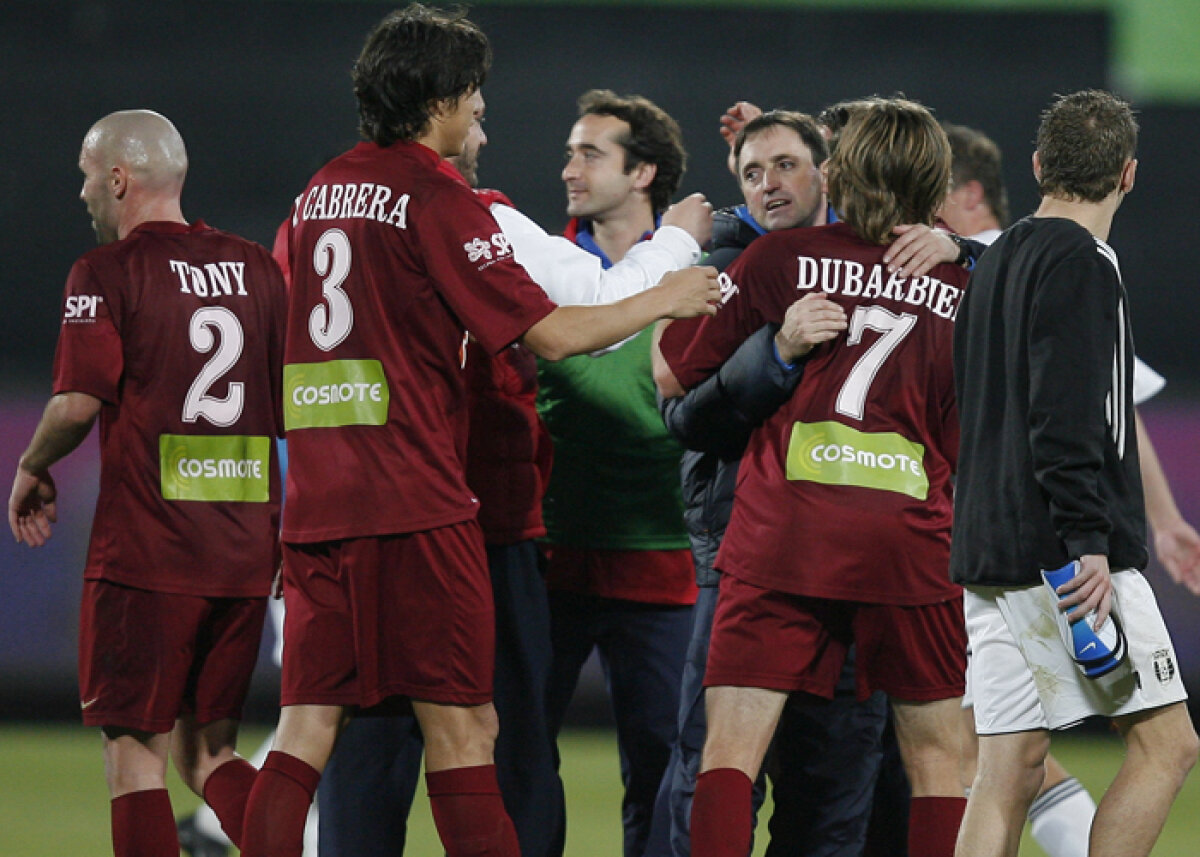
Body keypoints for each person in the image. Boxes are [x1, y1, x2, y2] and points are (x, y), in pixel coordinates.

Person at [238, 7, 719, 857]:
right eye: (475, 101)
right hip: (418, 507)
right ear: (442, 99)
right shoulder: (438, 198)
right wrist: (666, 292)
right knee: (470, 732)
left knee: (306, 733)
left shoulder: (313, 199)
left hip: (317, 513)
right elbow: (555, 333)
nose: (480, 120)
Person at [657, 97, 972, 857]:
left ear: (836, 174)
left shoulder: (780, 260)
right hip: (909, 544)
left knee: (730, 752)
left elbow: (674, 368)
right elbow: (965, 440)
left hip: (784, 533)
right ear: (936, 184)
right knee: (941, 761)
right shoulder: (966, 291)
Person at [8, 109, 286, 857]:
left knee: (135, 761)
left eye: (86, 176)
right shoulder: (258, 269)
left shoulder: (106, 272)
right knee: (210, 756)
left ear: (119, 178)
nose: (82, 193)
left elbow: (76, 404)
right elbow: (289, 406)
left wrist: (32, 465)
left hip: (149, 557)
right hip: (242, 556)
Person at [940, 118, 1200, 857]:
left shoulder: (995, 259)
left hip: (987, 548)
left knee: (1005, 771)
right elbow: (1067, 413)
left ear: (1037, 164)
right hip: (1065, 554)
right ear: (1128, 174)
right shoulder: (1085, 260)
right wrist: (1087, 539)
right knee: (1167, 746)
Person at [534, 88, 702, 857]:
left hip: (663, 562)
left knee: (664, 768)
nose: (569, 168)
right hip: (550, 556)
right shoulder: (539, 264)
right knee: (519, 753)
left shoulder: (700, 269)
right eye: (570, 152)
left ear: (644, 173)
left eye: (590, 154)